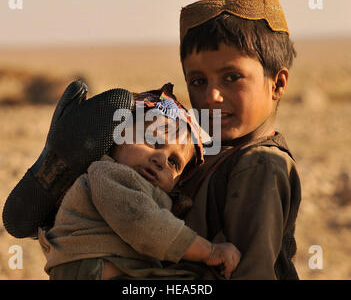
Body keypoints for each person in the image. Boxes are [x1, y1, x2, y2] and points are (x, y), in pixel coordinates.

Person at [37, 85, 241, 280]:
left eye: (173, 162)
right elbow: (144, 224)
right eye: (153, 142)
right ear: (118, 137)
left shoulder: (138, 183)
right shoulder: (108, 173)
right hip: (92, 267)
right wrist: (209, 251)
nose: (160, 160)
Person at [171, 0, 302, 279]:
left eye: (232, 77)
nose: (212, 96)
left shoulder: (260, 164)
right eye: (198, 81)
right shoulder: (208, 152)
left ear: (277, 83)